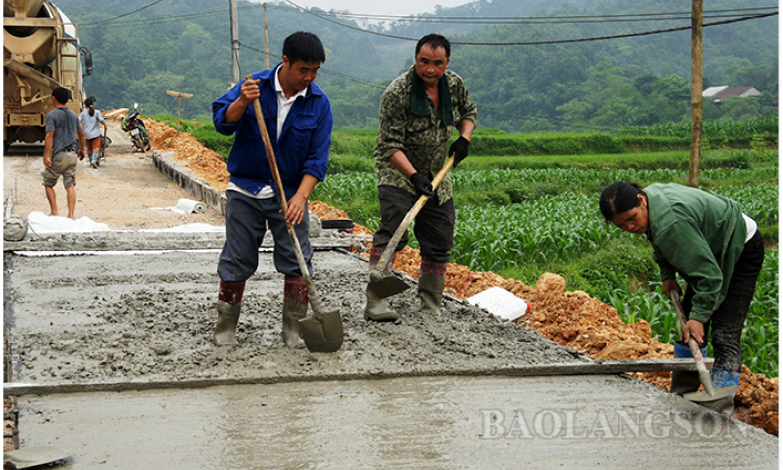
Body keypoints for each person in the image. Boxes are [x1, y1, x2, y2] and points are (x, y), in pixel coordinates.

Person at [599, 181, 764, 415]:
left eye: (632, 217)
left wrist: (699, 316)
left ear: (641, 200)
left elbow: (709, 275)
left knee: (724, 332)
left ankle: (719, 410)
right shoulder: (651, 209)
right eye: (622, 224)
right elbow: (659, 241)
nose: (631, 226)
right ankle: (683, 396)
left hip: (739, 246)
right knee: (690, 328)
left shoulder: (671, 222)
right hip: (707, 250)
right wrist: (668, 276)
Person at [211, 31, 332, 347]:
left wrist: (301, 197)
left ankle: (293, 330)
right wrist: (242, 101)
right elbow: (223, 123)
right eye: (303, 70)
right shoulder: (255, 86)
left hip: (291, 193)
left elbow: (317, 159)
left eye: (315, 71)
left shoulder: (319, 104)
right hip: (246, 189)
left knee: (297, 259)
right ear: (286, 62)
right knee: (237, 258)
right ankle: (225, 327)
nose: (308, 77)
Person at [365, 34, 477, 322]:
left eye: (437, 63)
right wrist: (413, 176)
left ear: (446, 62)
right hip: (399, 173)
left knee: (440, 237)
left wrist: (464, 138)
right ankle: (376, 301)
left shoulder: (454, 84)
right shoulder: (397, 93)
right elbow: (389, 145)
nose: (430, 69)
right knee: (393, 231)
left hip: (438, 173)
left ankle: (430, 303)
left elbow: (469, 112)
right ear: (416, 59)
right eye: (424, 62)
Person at [42, 87, 86, 219]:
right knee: (70, 185)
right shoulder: (73, 115)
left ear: (53, 99)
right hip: (72, 154)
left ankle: (54, 211)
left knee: (48, 183)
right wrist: (81, 149)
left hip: (59, 155)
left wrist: (46, 156)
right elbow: (82, 134)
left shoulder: (52, 115)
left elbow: (49, 136)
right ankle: (71, 215)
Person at [79, 97, 106, 168]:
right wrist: (105, 126)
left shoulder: (83, 113)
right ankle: (94, 160)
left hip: (87, 134)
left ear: (85, 105)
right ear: (92, 104)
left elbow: (78, 121)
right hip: (96, 133)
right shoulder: (97, 112)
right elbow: (101, 120)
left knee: (90, 148)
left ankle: (91, 162)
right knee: (96, 147)